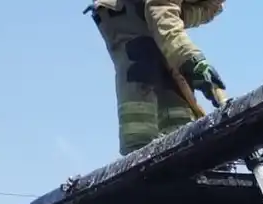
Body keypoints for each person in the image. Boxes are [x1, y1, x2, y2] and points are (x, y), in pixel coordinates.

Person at [87, 0, 228, 156]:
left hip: (152, 12)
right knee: (140, 63)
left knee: (174, 81)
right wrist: (191, 58)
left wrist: (188, 62)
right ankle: (138, 148)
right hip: (123, 9)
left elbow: (172, 17)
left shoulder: (214, 4)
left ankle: (181, 145)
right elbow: (160, 8)